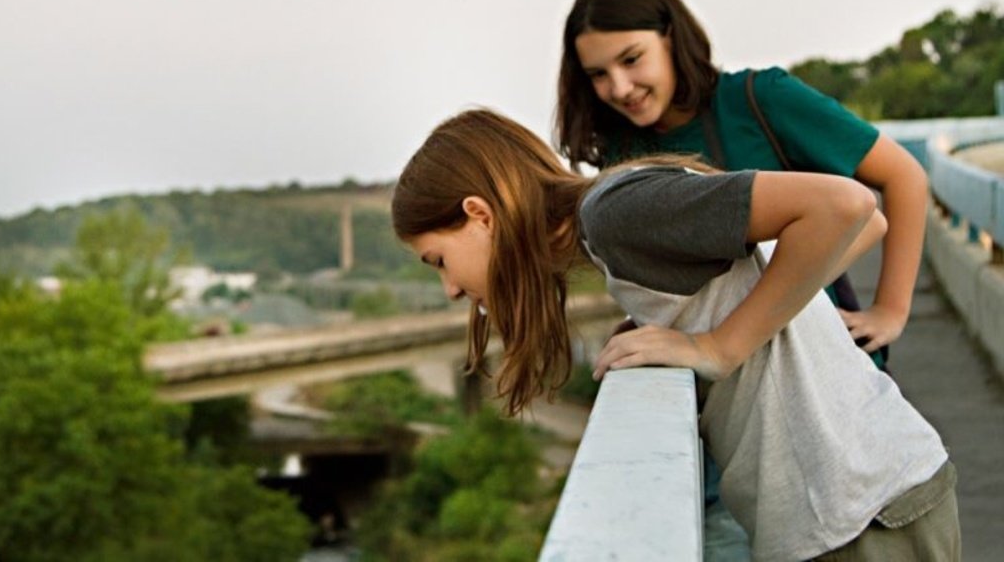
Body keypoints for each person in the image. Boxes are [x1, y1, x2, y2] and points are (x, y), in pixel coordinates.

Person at [391, 109, 959, 561]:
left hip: (858, 515)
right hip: (869, 500)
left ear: (479, 214)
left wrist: (719, 345)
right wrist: (741, 313)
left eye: (438, 259)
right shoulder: (617, 225)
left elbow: (847, 207)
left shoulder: (614, 215)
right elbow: (863, 227)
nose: (450, 289)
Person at [555, 0, 928, 369]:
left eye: (632, 59)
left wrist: (890, 310)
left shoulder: (758, 99)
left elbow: (902, 176)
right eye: (598, 74)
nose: (620, 87)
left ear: (671, 38)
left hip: (818, 368)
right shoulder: (621, 154)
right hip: (728, 397)